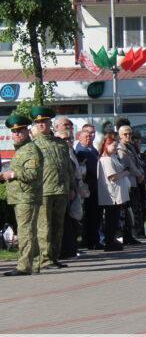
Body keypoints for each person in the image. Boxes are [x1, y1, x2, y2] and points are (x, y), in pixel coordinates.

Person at [30, 106, 75, 271]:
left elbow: (69, 168)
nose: (42, 125)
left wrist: (72, 187)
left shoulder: (61, 144)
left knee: (58, 225)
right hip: (43, 191)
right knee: (44, 226)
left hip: (61, 189)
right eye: (38, 122)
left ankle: (55, 257)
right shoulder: (33, 145)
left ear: (50, 123)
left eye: (45, 122)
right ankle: (45, 259)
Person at [2, 115, 44, 276]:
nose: (17, 134)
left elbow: (32, 174)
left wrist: (12, 174)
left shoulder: (30, 149)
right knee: (28, 230)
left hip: (26, 197)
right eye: (14, 132)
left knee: (26, 231)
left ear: (27, 131)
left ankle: (24, 266)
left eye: (20, 131)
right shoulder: (21, 150)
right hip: (21, 196)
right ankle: (34, 264)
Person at [97, 135, 131, 251]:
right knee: (111, 219)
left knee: (114, 218)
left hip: (116, 194)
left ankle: (111, 240)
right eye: (114, 146)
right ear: (106, 145)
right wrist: (126, 173)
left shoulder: (112, 157)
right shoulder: (106, 159)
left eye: (117, 146)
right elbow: (113, 177)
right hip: (112, 195)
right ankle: (109, 241)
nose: (116, 148)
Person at [56, 129, 84, 259]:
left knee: (73, 221)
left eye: (70, 139)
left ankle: (72, 248)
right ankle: (66, 250)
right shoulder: (59, 153)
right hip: (63, 191)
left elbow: (74, 172)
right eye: (64, 139)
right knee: (66, 221)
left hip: (73, 189)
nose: (68, 141)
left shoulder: (71, 152)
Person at [116, 124, 144, 245]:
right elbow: (129, 164)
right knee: (128, 210)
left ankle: (131, 234)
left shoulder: (130, 146)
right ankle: (127, 235)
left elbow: (137, 161)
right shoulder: (120, 148)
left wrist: (142, 173)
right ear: (120, 135)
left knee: (134, 209)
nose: (128, 136)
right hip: (128, 182)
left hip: (134, 181)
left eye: (130, 134)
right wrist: (139, 174)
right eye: (125, 134)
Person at [75, 127, 101, 249]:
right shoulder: (81, 151)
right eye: (86, 135)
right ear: (79, 137)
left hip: (95, 187)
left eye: (92, 134)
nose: (89, 136)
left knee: (95, 215)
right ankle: (90, 241)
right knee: (90, 216)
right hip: (88, 187)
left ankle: (93, 240)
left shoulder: (93, 150)